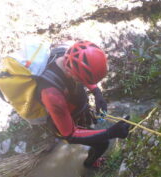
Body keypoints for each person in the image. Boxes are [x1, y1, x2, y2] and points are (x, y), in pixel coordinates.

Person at [38, 40, 130, 168]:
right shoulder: (51, 94)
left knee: (90, 125)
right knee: (102, 143)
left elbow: (82, 72)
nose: (84, 82)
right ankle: (90, 164)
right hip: (63, 123)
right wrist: (110, 133)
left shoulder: (68, 55)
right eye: (81, 80)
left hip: (76, 108)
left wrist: (97, 92)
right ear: (71, 73)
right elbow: (70, 135)